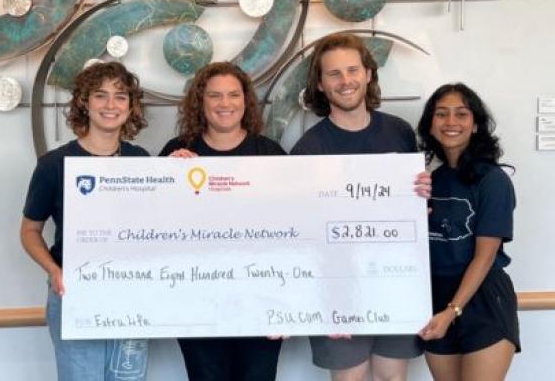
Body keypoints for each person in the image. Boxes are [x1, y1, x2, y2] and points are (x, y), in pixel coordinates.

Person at [290, 33, 429, 381]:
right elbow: (301, 234)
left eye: (353, 70)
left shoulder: (400, 133)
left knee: (392, 379)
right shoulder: (309, 149)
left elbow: (410, 208)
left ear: (368, 73)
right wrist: (324, 302)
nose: (345, 81)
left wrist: (421, 200)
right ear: (320, 85)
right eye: (333, 74)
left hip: (394, 282)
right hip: (338, 290)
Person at [20, 62, 150, 381]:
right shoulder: (54, 165)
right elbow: (29, 230)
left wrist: (182, 172)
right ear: (84, 102)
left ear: (131, 106)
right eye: (100, 95)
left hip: (131, 293)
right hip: (74, 293)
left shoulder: (142, 161)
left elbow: (160, 226)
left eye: (120, 97)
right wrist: (55, 271)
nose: (110, 105)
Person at [159, 61, 285, 381]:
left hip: (261, 301)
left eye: (233, 95)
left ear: (246, 101)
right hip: (196, 304)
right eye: (215, 95)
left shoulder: (269, 154)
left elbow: (294, 237)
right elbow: (156, 230)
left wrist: (290, 304)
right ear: (201, 102)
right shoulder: (177, 153)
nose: (225, 104)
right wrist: (163, 178)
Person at [417, 83, 520, 380]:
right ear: (430, 124)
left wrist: (452, 311)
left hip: (483, 301)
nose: (451, 122)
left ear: (475, 125)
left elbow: (484, 258)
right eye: (442, 114)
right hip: (436, 297)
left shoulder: (493, 181)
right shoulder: (429, 182)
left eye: (461, 114)